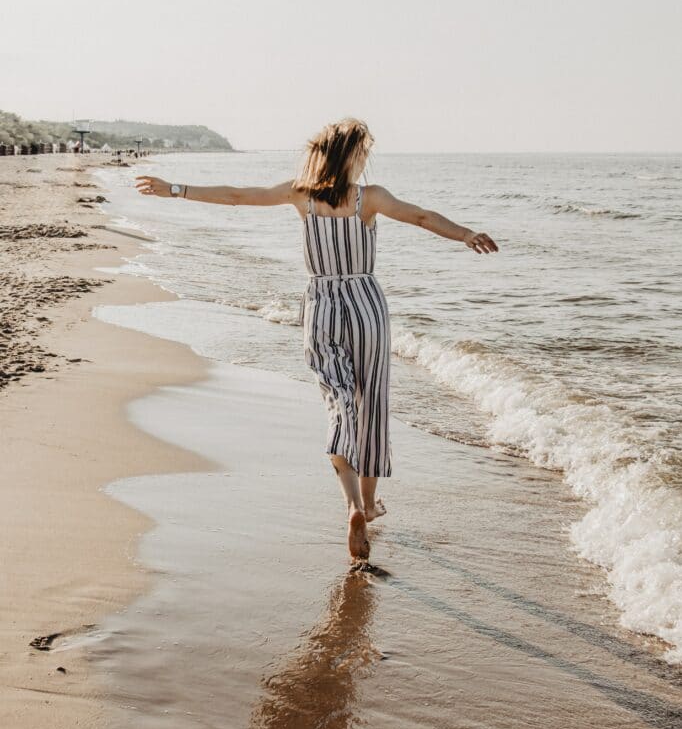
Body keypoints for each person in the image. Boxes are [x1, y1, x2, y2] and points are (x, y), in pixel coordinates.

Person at [135, 117, 498, 563]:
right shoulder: (370, 198)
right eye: (365, 150)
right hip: (365, 305)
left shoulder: (300, 195)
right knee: (371, 403)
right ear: (352, 155)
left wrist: (175, 190)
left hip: (322, 304)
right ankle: (368, 504)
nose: (367, 157)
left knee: (339, 403)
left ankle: (351, 505)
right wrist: (466, 234)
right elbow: (422, 218)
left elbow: (236, 197)